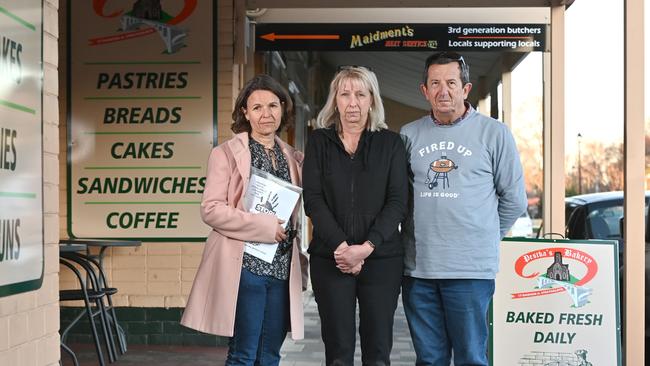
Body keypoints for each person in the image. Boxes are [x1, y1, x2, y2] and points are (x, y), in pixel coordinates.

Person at [399, 52, 527, 366]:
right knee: (429, 359)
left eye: (451, 83)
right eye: (435, 83)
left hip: (470, 272)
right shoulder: (408, 135)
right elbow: (398, 199)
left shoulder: (495, 134)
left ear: (466, 89)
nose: (444, 91)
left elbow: (515, 200)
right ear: (424, 90)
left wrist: (483, 236)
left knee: (470, 357)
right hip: (419, 270)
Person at [181, 74, 304, 366]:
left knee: (270, 355)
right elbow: (210, 209)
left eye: (273, 106)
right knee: (243, 355)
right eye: (257, 107)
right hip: (245, 268)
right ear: (245, 113)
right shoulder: (225, 153)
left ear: (283, 110)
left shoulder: (292, 157)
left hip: (280, 270)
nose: (266, 114)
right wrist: (264, 227)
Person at [303, 66, 408, 366]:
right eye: (345, 94)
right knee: (338, 352)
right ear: (334, 100)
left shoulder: (391, 144)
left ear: (372, 100)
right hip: (330, 259)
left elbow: (397, 201)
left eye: (360, 94)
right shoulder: (319, 142)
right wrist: (341, 247)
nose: (353, 102)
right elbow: (313, 199)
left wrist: (366, 247)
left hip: (382, 259)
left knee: (377, 352)